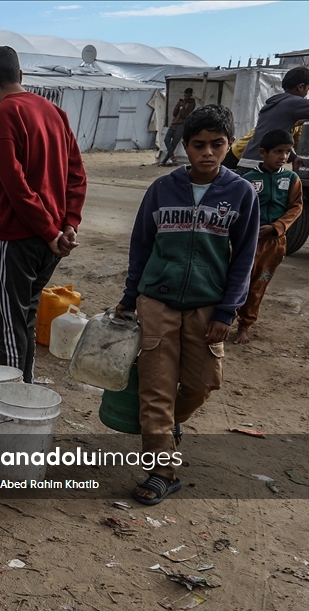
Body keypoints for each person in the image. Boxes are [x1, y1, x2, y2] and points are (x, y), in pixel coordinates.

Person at [117, 105, 259, 506]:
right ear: (185, 146)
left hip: (207, 307)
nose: (208, 153)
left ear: (229, 146)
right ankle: (162, 470)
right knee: (155, 390)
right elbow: (141, 246)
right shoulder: (162, 190)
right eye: (199, 145)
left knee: (201, 384)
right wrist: (130, 299)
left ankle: (172, 424)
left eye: (217, 144)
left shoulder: (241, 193)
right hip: (157, 303)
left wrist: (226, 311)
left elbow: (244, 256)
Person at [0, 46, 87, 383]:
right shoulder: (55, 112)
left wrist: (51, 231)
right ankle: (24, 394)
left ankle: (13, 402)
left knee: (9, 328)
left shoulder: (0, 116)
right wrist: (68, 224)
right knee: (24, 319)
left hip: (19, 239)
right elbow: (77, 175)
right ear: (21, 76)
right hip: (49, 241)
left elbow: (16, 186)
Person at [234, 129, 303, 344]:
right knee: (237, 282)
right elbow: (239, 209)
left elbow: (296, 207)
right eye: (278, 151)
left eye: (287, 152)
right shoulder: (248, 180)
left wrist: (277, 227)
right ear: (263, 153)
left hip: (274, 245)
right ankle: (224, 319)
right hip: (248, 242)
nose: (283, 156)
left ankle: (244, 325)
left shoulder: (291, 178)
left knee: (258, 286)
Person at [239, 66, 309, 171]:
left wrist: (293, 158)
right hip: (262, 166)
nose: (306, 94)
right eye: (308, 89)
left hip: (247, 160)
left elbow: (275, 135)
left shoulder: (274, 103)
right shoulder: (295, 102)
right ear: (300, 87)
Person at [161, 88, 195, 166]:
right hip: (174, 124)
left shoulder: (192, 104)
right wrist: (177, 106)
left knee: (174, 143)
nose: (185, 97)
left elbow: (185, 115)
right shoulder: (182, 102)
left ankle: (165, 160)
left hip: (181, 125)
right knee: (166, 140)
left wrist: (183, 107)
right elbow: (174, 114)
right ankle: (171, 156)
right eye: (184, 96)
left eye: (187, 96)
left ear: (190, 95)